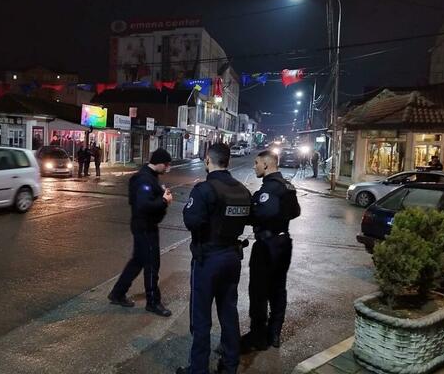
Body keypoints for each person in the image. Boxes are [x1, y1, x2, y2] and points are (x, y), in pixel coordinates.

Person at [177, 143, 252, 374]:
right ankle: (230, 365)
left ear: (208, 160)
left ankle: (198, 369)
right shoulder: (242, 190)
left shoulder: (205, 189)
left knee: (200, 317)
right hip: (232, 257)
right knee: (228, 311)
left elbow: (191, 220)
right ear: (227, 161)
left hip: (208, 258)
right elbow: (251, 219)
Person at [242, 150, 301, 351]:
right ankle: (274, 332)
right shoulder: (287, 186)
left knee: (258, 291)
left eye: (256, 163)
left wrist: (252, 212)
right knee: (278, 289)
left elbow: (260, 214)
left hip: (267, 246)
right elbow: (296, 212)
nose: (254, 166)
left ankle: (258, 335)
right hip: (284, 243)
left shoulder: (270, 188)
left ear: (266, 165)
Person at [108, 148, 174, 317]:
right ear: (159, 163)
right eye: (166, 165)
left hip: (145, 226)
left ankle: (117, 293)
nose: (168, 168)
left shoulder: (151, 177)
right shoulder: (144, 178)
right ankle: (153, 302)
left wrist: (162, 196)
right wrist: (164, 201)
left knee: (137, 261)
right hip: (145, 227)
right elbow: (143, 206)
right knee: (152, 264)